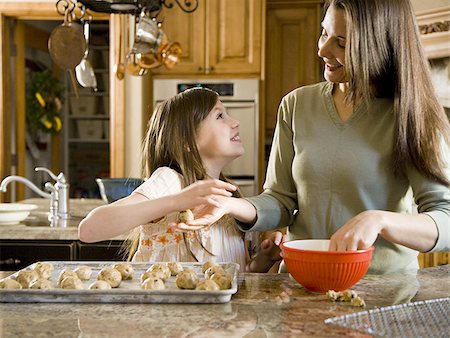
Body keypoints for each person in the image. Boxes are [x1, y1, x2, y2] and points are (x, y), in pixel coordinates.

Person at [179, 0, 450, 274]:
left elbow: (446, 219)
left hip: (380, 292)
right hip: (300, 283)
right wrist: (231, 205)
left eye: (341, 43)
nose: (322, 50)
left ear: (379, 47)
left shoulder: (412, 115)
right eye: (324, 33)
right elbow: (280, 201)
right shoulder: (296, 105)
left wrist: (379, 221)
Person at [78, 87, 281, 272]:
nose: (235, 122)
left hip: (219, 313)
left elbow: (235, 277)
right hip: (166, 312)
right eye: (219, 115)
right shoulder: (171, 181)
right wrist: (177, 201)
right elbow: (89, 229)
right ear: (187, 142)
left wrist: (264, 259)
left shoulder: (231, 196)